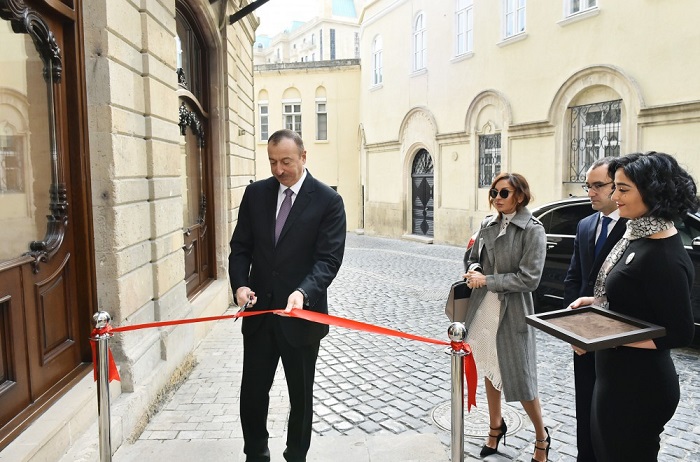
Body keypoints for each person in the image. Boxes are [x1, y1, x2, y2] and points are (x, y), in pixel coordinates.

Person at [568, 151, 697, 461]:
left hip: (639, 389)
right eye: (615, 187)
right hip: (616, 379)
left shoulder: (664, 255)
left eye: (623, 189)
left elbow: (679, 333)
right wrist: (597, 303)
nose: (615, 195)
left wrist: (602, 336)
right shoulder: (637, 235)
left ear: (652, 192)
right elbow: (633, 301)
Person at [229, 129, 346, 462]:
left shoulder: (328, 201)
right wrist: (239, 285)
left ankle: (296, 455)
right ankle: (256, 453)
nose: (278, 170)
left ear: (303, 157)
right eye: (272, 162)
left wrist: (302, 293)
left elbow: (328, 260)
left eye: (286, 162)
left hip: (301, 318)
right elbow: (241, 248)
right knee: (252, 393)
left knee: (301, 398)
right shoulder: (255, 194)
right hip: (259, 315)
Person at [462, 173, 551, 462]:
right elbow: (473, 257)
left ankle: (541, 436)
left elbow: (529, 279)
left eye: (504, 193)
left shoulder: (533, 230)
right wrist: (475, 268)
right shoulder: (488, 223)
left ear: (520, 196)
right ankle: (495, 427)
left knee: (521, 377)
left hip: (513, 311)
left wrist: (486, 279)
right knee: (489, 368)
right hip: (484, 308)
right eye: (494, 192)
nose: (497, 198)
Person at [563, 157, 627, 462]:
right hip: (583, 342)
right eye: (588, 186)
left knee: (614, 417)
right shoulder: (585, 224)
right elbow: (574, 279)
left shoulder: (634, 226)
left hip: (619, 343)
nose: (590, 192)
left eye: (598, 185)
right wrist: (575, 329)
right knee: (584, 407)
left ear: (617, 186)